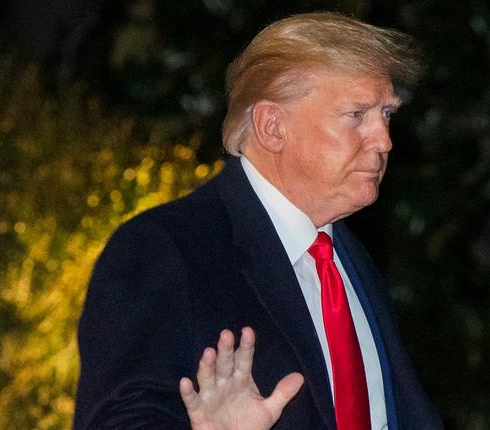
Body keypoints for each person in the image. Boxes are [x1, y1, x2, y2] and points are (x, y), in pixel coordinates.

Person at [74, 11, 443, 430]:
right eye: (356, 115)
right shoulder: (162, 250)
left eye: (387, 115)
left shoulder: (349, 259)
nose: (384, 140)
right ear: (272, 126)